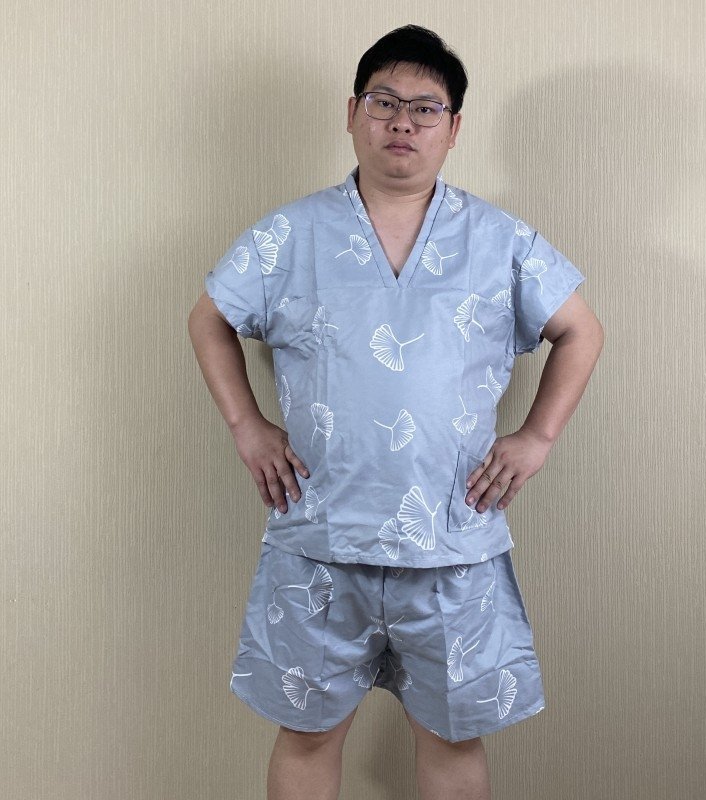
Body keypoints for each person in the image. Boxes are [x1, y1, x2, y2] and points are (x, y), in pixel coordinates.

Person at [188, 24, 603, 800]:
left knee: (452, 735)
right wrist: (248, 425)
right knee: (307, 733)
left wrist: (537, 436)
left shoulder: (500, 240)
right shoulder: (290, 234)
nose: (403, 122)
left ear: (454, 127)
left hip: (453, 540)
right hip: (320, 535)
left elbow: (581, 330)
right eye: (384, 102)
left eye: (425, 108)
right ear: (353, 113)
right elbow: (209, 316)